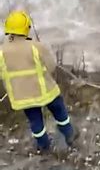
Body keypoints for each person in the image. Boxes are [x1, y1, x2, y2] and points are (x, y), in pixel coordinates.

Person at [0, 11, 77, 152]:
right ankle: (69, 136)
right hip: (46, 92)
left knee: (35, 122)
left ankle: (44, 146)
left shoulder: (1, 52)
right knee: (60, 113)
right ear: (26, 28)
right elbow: (52, 66)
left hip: (23, 98)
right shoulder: (36, 47)